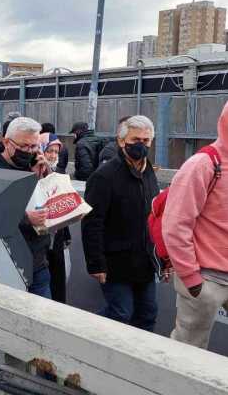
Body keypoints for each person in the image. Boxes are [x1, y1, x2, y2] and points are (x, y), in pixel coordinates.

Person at [82, 115, 159, 331]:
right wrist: (96, 263)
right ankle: (85, 333)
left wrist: (161, 257)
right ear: (121, 140)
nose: (141, 145)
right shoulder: (105, 176)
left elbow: (154, 215)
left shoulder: (149, 171)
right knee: (120, 312)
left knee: (147, 314)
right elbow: (92, 222)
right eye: (136, 140)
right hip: (115, 261)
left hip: (144, 261)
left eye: (146, 140)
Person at [164, 102, 228, 349]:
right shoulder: (203, 164)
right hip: (204, 277)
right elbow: (175, 226)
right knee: (188, 351)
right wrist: (192, 279)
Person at [0, 117, 53, 298]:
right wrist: (26, 219)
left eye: (34, 146)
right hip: (5, 262)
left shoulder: (34, 166)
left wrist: (43, 178)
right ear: (6, 142)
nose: (30, 152)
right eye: (24, 147)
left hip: (37, 260)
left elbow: (43, 201)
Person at [40, 133, 72, 303]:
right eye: (49, 151)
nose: (52, 155)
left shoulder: (59, 174)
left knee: (58, 283)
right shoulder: (35, 173)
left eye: (55, 152)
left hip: (57, 238)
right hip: (42, 240)